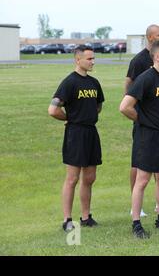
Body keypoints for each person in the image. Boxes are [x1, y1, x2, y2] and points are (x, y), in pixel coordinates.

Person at [120, 40, 159, 239]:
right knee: (143, 180)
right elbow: (125, 107)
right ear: (157, 57)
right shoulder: (145, 78)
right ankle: (136, 223)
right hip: (148, 136)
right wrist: (144, 120)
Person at [48, 45, 104, 232]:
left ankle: (86, 216)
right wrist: (71, 118)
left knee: (89, 177)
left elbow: (98, 106)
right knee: (72, 179)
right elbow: (53, 109)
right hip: (75, 134)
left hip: (91, 133)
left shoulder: (94, 83)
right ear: (77, 60)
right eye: (89, 59)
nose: (92, 62)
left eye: (93, 58)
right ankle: (67, 219)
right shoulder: (69, 82)